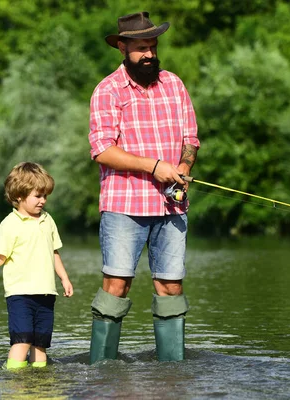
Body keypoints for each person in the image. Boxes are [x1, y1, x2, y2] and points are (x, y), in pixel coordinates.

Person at [87, 11, 199, 363]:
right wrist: (154, 167)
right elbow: (102, 150)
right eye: (141, 48)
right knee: (116, 286)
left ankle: (172, 372)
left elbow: (191, 139)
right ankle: (102, 371)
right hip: (124, 205)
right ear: (122, 48)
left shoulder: (175, 84)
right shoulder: (107, 90)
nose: (149, 54)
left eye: (152, 46)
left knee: (171, 287)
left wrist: (182, 167)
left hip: (171, 207)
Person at [0, 162, 74, 370]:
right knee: (22, 339)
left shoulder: (47, 219)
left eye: (45, 196)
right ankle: (13, 380)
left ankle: (40, 382)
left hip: (46, 293)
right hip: (20, 294)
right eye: (38, 196)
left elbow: (54, 252)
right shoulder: (10, 224)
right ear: (19, 196)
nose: (43, 201)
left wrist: (64, 278)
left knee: (41, 343)